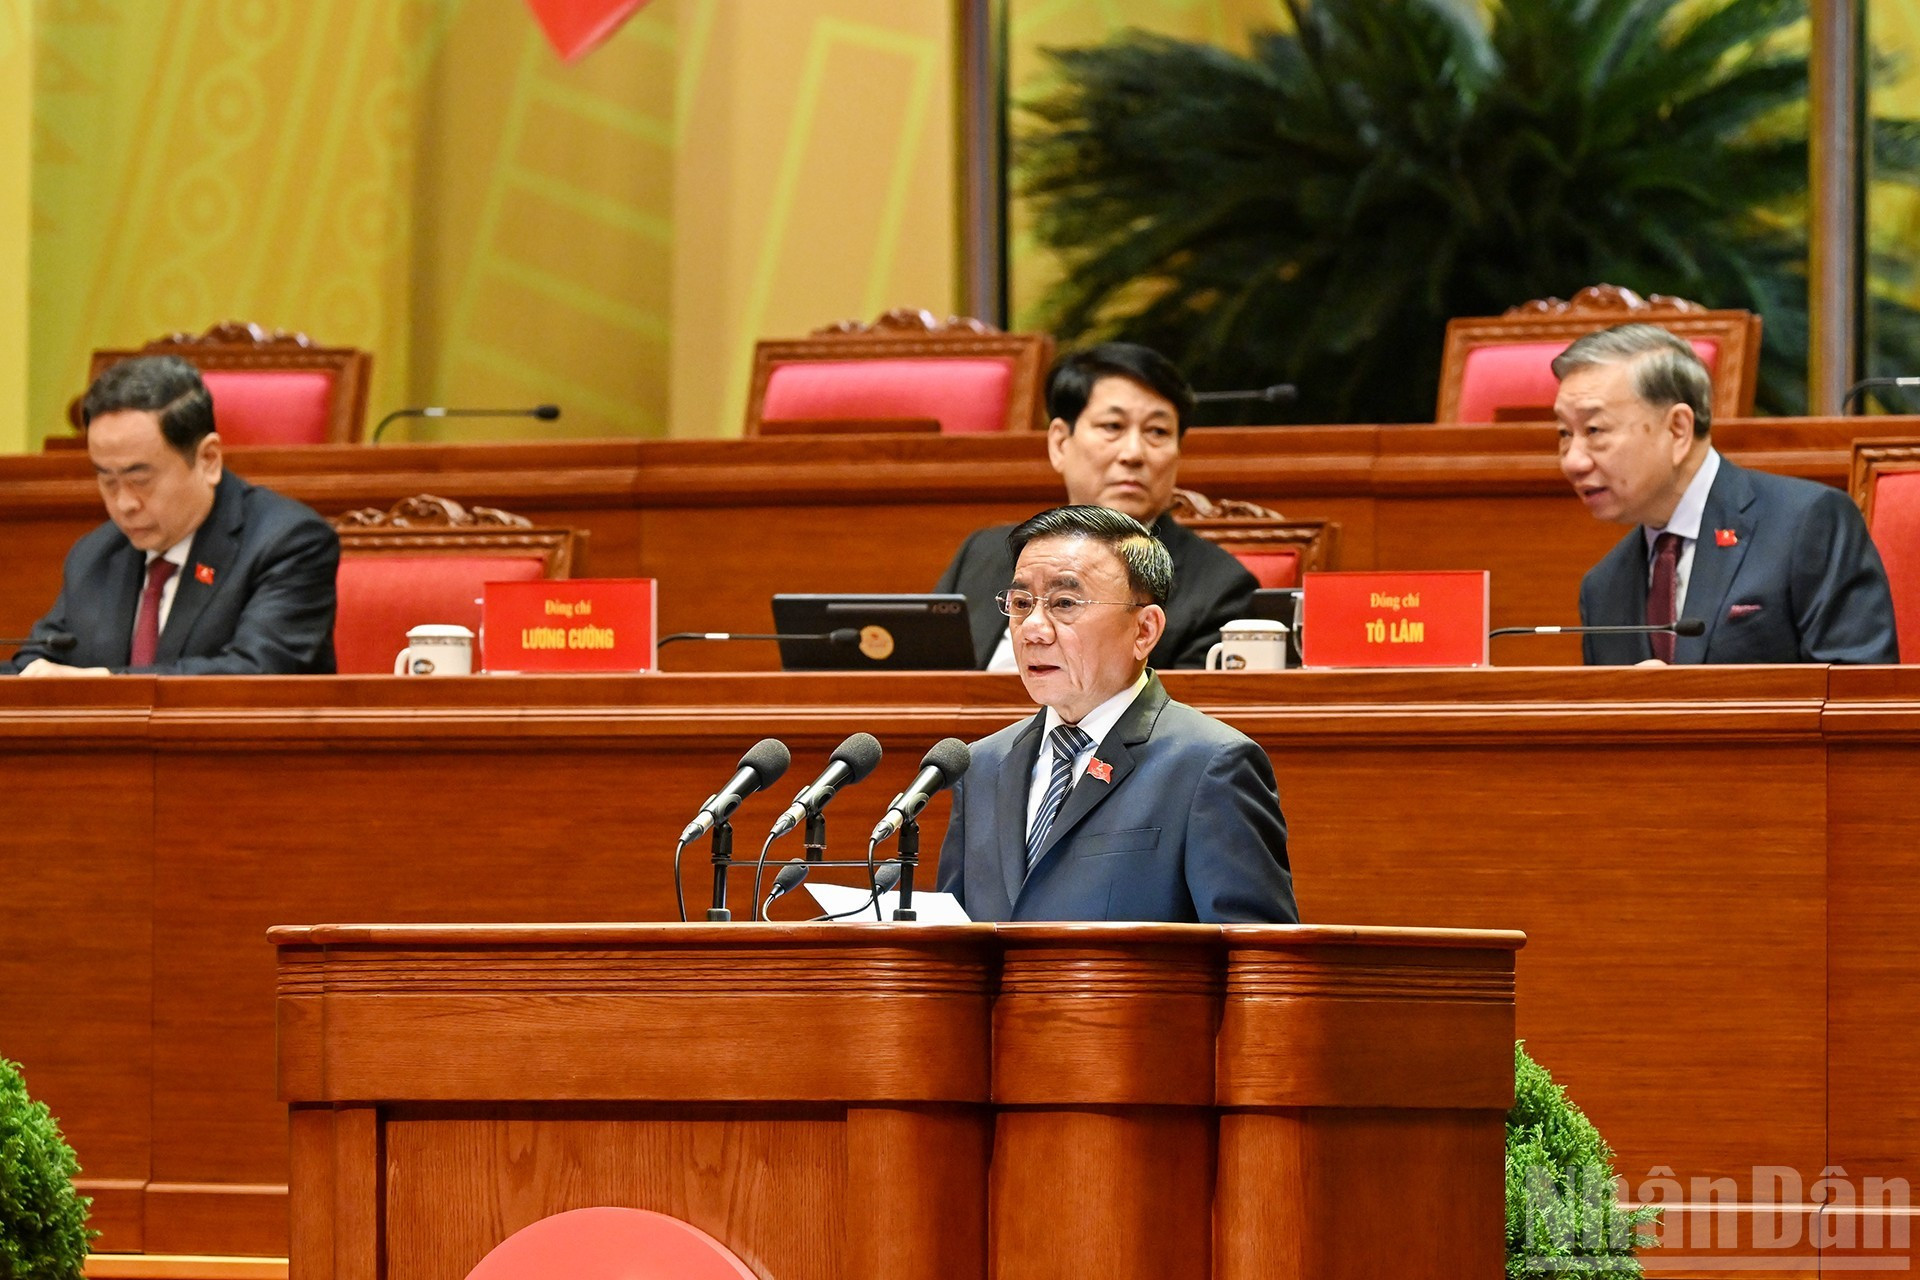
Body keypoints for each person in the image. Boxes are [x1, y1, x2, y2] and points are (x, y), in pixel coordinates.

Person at [936, 505, 1297, 923]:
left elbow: (1257, 951)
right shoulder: (980, 766)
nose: (1033, 629)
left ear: (1144, 630)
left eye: (1064, 603)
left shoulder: (1210, 766)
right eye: (1020, 603)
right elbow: (955, 939)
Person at [1555, 324, 1897, 665]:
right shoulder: (1602, 587)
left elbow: (1858, 689)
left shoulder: (1807, 524)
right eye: (1564, 433)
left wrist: (1685, 698)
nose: (1572, 461)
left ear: (1677, 429)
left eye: (1594, 430)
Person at [5, 356, 340, 676]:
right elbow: (38, 663)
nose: (124, 503)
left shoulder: (288, 543)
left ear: (208, 459)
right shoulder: (96, 555)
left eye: (140, 480)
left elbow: (257, 673)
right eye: (107, 480)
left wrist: (105, 683)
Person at [935, 342, 1257, 669]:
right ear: (1060, 443)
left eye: (1157, 431)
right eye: (1112, 427)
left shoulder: (1220, 587)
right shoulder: (981, 555)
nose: (1133, 453)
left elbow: (1183, 702)